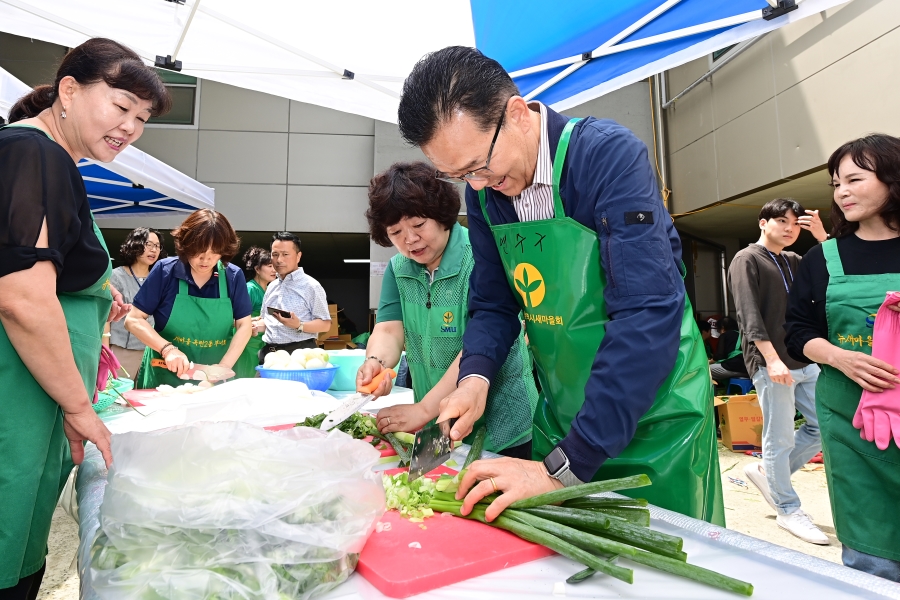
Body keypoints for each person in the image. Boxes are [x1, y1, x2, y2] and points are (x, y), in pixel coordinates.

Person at [396, 46, 723, 523]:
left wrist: (562, 469)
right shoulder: (486, 195)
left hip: (656, 420)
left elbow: (647, 312)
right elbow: (493, 305)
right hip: (563, 414)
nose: (479, 185)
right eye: (459, 176)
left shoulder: (606, 156)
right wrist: (474, 379)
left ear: (516, 115)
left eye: (478, 165)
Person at [0, 38, 169, 597]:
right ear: (68, 91)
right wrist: (79, 406)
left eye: (141, 119)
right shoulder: (34, 152)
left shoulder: (55, 162)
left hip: (35, 398)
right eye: (121, 107)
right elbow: (22, 298)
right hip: (15, 399)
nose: (130, 128)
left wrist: (97, 296)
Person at [359, 161, 539, 457]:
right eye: (395, 232)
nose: (410, 240)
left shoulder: (481, 257)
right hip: (437, 421)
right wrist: (378, 362)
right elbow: (390, 327)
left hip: (501, 424)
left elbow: (479, 344)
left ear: (442, 216)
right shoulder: (398, 267)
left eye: (418, 225)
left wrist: (424, 408)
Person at [785, 134, 900, 580]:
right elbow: (797, 332)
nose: (842, 192)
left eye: (854, 179)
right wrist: (840, 358)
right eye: (836, 183)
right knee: (871, 549)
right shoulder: (822, 258)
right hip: (852, 421)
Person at [727, 198, 828, 544]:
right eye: (781, 221)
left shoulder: (796, 261)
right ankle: (787, 508)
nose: (789, 228)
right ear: (762, 222)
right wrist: (771, 359)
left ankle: (769, 475)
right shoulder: (746, 259)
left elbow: (834, 276)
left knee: (820, 426)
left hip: (803, 358)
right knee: (780, 435)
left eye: (795, 224)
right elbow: (748, 314)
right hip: (771, 361)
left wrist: (822, 237)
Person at [125, 209, 252, 388]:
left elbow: (244, 325)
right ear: (187, 244)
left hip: (213, 379)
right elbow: (133, 319)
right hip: (163, 375)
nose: (205, 259)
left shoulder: (233, 276)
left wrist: (224, 366)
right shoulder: (165, 271)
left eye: (215, 253)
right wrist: (167, 349)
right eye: (199, 251)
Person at [252, 232, 332, 362]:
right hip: (269, 355)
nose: (279, 260)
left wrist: (299, 325)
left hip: (299, 354)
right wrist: (255, 326)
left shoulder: (311, 286)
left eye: (285, 254)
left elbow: (325, 324)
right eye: (275, 254)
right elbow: (267, 321)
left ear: (298, 256)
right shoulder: (271, 286)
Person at [107, 227, 164, 379]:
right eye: (149, 244)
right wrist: (104, 349)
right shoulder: (116, 276)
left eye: (157, 246)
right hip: (122, 349)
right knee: (119, 396)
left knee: (147, 398)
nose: (154, 250)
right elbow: (105, 316)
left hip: (153, 349)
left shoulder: (160, 278)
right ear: (135, 244)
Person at [233, 246, 276, 378]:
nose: (274, 270)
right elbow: (236, 318)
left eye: (275, 266)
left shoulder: (270, 290)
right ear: (257, 269)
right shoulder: (250, 288)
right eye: (269, 266)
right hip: (247, 344)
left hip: (261, 343)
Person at [710, 316, 749, 383]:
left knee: (706, 371)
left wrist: (710, 361)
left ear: (722, 328)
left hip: (733, 367)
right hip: (748, 370)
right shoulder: (744, 335)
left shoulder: (725, 335)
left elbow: (719, 355)